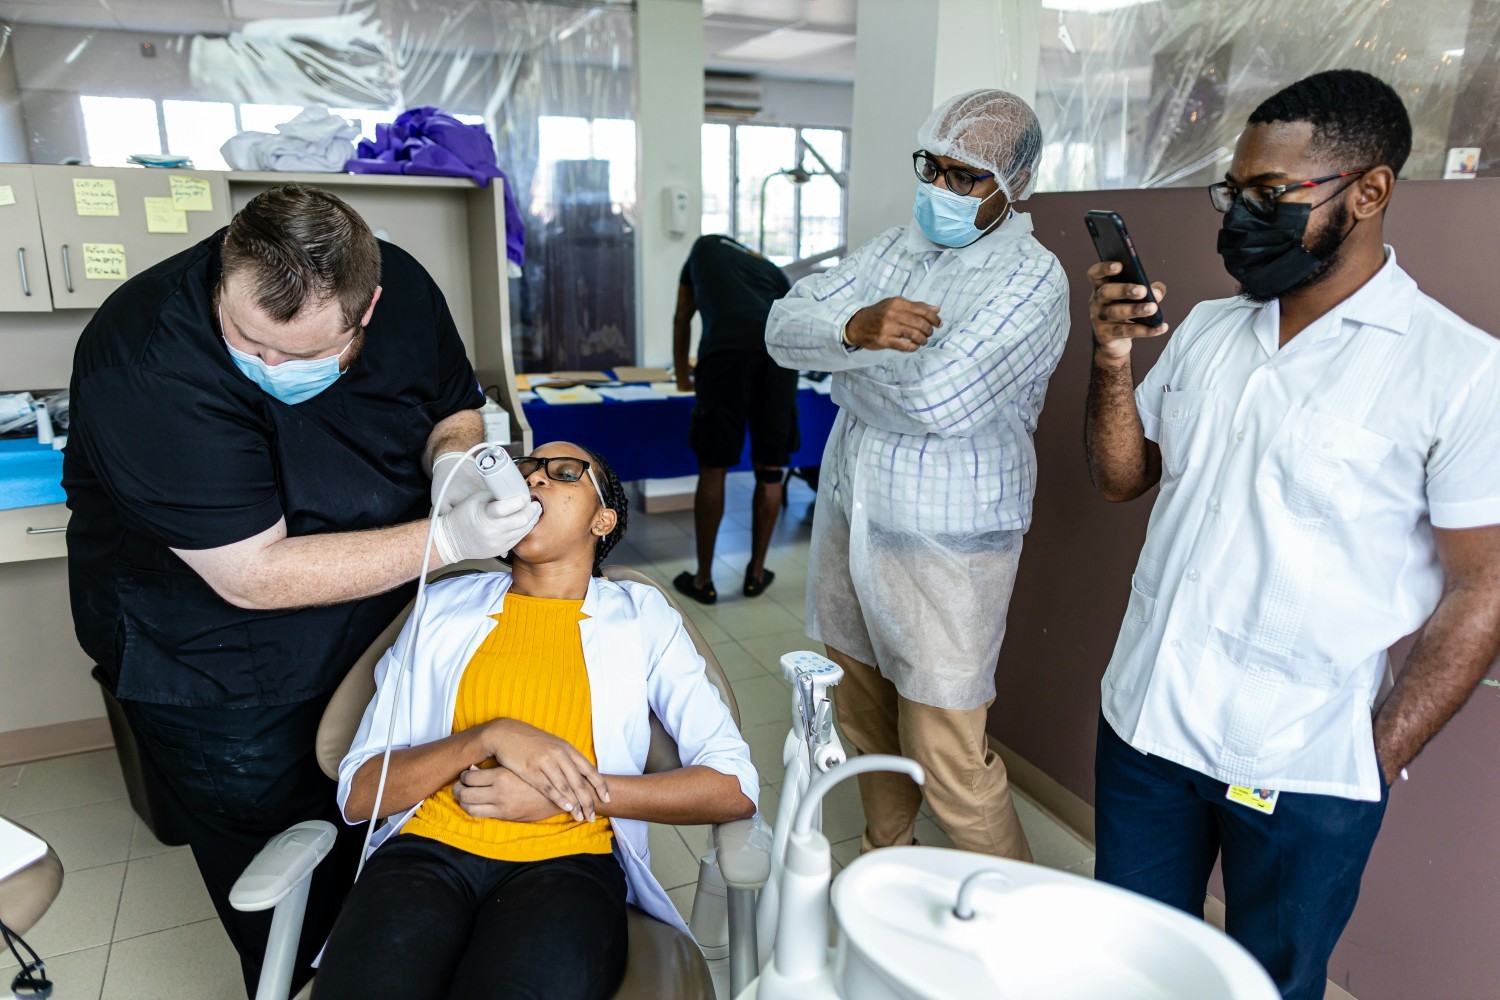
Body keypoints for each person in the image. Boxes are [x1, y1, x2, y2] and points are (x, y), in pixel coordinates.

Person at [1084, 70, 1500, 1000]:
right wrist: (1113, 365)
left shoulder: (1459, 372)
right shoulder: (1207, 331)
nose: (1240, 216)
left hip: (1304, 765)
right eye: (1235, 192)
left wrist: (1378, 754)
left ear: (1371, 190)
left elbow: (1486, 588)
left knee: (1270, 986)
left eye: (1273, 195)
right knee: (1125, 965)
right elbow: (1123, 479)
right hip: (1147, 723)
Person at [63, 184, 539, 994]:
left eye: (305, 352)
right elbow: (253, 576)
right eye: (250, 340)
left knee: (395, 863)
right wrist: (449, 538)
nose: (272, 365)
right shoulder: (145, 358)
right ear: (225, 272)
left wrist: (455, 469)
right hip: (220, 665)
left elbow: (453, 409)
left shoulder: (407, 291)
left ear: (369, 307)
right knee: (294, 893)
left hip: (379, 623)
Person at [317, 441, 757, 999]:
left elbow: (733, 788)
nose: (534, 481)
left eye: (564, 473)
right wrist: (489, 736)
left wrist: (576, 798)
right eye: (526, 469)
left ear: (603, 519)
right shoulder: (443, 605)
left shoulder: (643, 618)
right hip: (423, 854)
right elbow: (361, 793)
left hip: (568, 865)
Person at [765, 89, 1069, 861]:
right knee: (863, 722)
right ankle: (885, 865)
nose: (939, 188)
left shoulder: (1033, 280)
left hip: (947, 547)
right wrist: (852, 328)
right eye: (930, 166)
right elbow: (780, 327)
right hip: (853, 521)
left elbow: (941, 399)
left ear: (1015, 184)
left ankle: (1014, 921)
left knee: (946, 753)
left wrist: (839, 367)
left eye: (964, 177)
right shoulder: (896, 248)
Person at [671, 234, 796, 604]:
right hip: (780, 356)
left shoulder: (702, 248)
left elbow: (683, 316)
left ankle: (703, 580)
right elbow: (791, 313)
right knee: (770, 469)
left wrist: (681, 376)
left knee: (714, 468)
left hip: (725, 355)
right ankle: (756, 575)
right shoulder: (770, 269)